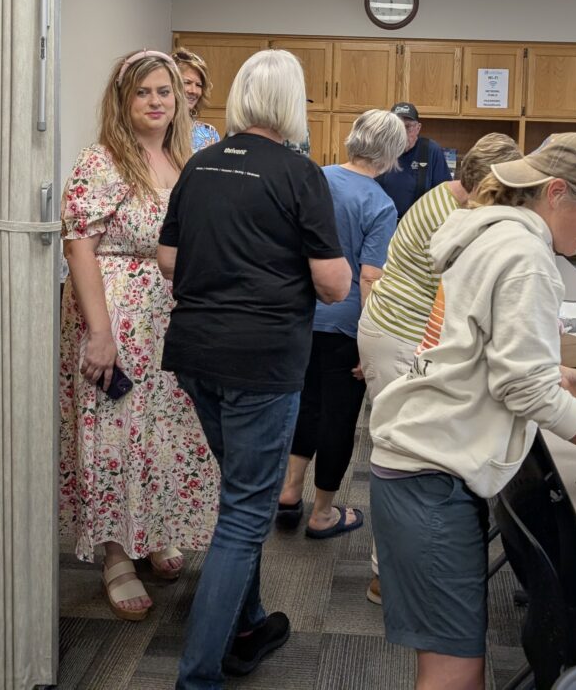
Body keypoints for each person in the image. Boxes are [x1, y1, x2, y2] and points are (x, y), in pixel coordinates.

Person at [367, 132, 576, 689]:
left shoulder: (491, 233)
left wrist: (550, 368)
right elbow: (529, 396)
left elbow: (475, 347)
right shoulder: (524, 256)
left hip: (422, 459)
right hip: (429, 475)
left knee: (456, 668)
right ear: (556, 192)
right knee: (452, 676)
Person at [157, 49, 351, 688]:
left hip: (194, 355)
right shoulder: (300, 174)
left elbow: (166, 258)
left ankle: (249, 622)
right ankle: (199, 676)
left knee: (239, 491)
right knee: (245, 513)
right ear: (294, 103)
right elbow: (332, 286)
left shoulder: (202, 164)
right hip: (261, 363)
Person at [58, 49, 218, 623]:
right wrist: (99, 333)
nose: (156, 102)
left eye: (165, 92)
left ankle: (153, 530)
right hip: (118, 317)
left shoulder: (187, 158)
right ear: (123, 101)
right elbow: (79, 245)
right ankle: (116, 554)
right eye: (144, 93)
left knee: (168, 432)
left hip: (173, 319)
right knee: (117, 433)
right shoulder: (101, 160)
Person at [356, 132, 522, 604]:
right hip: (400, 338)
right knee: (405, 463)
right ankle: (384, 576)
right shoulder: (458, 217)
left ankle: (392, 570)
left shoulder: (449, 194)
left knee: (403, 458)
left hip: (394, 332)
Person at [275, 109, 407, 539]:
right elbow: (370, 276)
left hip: (300, 317)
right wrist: (369, 342)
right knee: (339, 418)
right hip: (346, 325)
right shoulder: (380, 204)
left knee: (305, 407)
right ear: (393, 153)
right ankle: (324, 513)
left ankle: (289, 493)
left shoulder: (314, 177)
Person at [376, 102, 452, 218]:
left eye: (407, 127)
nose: (401, 133)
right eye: (397, 127)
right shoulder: (379, 149)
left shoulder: (430, 150)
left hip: (417, 226)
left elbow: (445, 194)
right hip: (382, 223)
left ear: (418, 128)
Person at [172, 47, 221, 151]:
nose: (193, 91)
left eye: (198, 85)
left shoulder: (209, 134)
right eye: (187, 83)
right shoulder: (156, 131)